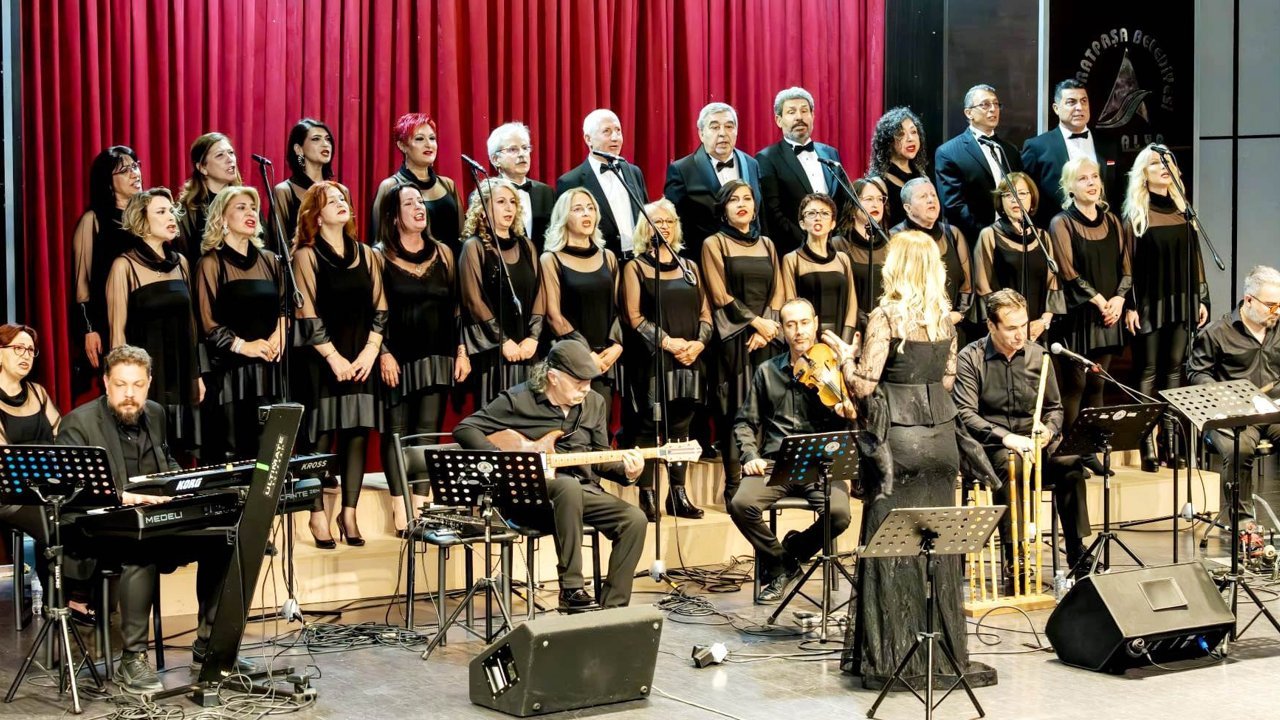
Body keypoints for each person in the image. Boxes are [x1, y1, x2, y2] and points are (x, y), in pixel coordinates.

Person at [826, 230, 998, 690]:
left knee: (889, 543)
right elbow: (946, 381)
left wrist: (846, 358)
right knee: (936, 546)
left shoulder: (886, 317)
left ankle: (890, 655)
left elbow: (864, 386)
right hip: (940, 440)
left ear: (895, 267)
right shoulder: (945, 320)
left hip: (899, 444)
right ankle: (938, 652)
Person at [57, 346, 240, 693]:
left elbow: (165, 464)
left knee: (224, 541)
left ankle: (209, 647)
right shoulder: (78, 423)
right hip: (97, 530)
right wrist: (124, 497)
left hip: (155, 522)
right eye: (121, 384)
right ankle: (132, 659)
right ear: (106, 383)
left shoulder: (155, 413)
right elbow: (72, 492)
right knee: (139, 550)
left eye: (138, 385)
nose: (130, 394)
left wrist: (185, 485)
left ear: (149, 383)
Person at [453, 340, 646, 611]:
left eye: (589, 381)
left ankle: (613, 610)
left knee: (634, 519)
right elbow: (465, 428)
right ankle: (571, 589)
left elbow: (600, 457)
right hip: (531, 497)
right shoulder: (518, 399)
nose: (586, 388)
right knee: (567, 487)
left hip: (582, 491)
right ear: (553, 377)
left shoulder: (595, 403)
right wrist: (506, 461)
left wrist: (628, 471)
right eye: (579, 382)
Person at [953, 289, 1093, 582]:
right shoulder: (970, 358)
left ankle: (1076, 549)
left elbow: (1054, 408)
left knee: (1070, 463)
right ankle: (1014, 555)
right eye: (1011, 328)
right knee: (1012, 464)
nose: (1021, 335)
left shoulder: (1039, 355)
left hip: (1035, 442)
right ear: (991, 325)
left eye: (1024, 325)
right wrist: (1006, 437)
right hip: (992, 446)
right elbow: (965, 414)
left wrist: (1049, 430)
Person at [731, 299, 851, 602]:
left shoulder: (836, 371)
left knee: (838, 515)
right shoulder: (767, 371)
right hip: (776, 463)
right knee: (741, 504)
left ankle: (792, 552)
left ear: (816, 323)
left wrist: (847, 410)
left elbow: (856, 422)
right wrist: (750, 456)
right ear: (783, 330)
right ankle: (784, 565)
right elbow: (745, 422)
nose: (799, 331)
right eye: (791, 324)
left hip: (822, 465)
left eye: (805, 323)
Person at [292, 181, 387, 548]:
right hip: (321, 359)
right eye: (331, 201)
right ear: (316, 215)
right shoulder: (307, 255)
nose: (340, 203)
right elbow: (307, 312)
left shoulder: (366, 253)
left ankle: (349, 513)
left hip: (361, 357)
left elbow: (381, 308)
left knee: (356, 433)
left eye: (342, 198)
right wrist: (333, 357)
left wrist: (370, 352)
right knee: (318, 437)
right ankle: (317, 513)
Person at [374, 182, 469, 534]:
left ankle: (421, 507)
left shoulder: (443, 253)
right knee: (397, 433)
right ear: (393, 216)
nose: (419, 208)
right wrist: (383, 352)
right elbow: (374, 312)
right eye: (409, 203)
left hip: (437, 355)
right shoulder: (378, 256)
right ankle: (401, 511)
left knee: (427, 434)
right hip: (396, 357)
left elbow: (457, 308)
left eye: (421, 202)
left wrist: (461, 351)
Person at [620, 199, 710, 521]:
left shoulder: (690, 267)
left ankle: (678, 494)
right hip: (655, 357)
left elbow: (705, 313)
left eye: (669, 221)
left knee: (682, 424)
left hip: (690, 356)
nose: (665, 227)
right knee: (649, 423)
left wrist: (699, 344)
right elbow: (633, 317)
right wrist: (669, 343)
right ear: (645, 229)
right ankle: (647, 494)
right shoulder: (635, 267)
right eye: (657, 222)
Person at [1122, 144, 1209, 471]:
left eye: (1167, 161)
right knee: (1147, 371)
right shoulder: (1137, 214)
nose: (1163, 166)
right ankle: (1146, 444)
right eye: (1156, 162)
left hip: (1181, 300)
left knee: (1174, 370)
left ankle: (1170, 445)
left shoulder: (1183, 209)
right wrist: (1130, 306)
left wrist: (1201, 298)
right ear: (1143, 173)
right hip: (1148, 302)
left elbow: (1195, 258)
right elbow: (1127, 265)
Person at [702, 179, 784, 505]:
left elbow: (778, 291)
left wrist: (767, 329)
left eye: (747, 198)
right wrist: (755, 323)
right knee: (735, 410)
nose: (741, 204)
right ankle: (734, 484)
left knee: (766, 408)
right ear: (724, 208)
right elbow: (719, 294)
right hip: (733, 337)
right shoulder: (714, 243)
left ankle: (763, 484)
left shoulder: (767, 244)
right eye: (734, 199)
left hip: (765, 339)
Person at [106, 187, 204, 460]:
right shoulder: (124, 266)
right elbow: (117, 335)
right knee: (150, 449)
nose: (171, 216)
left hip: (181, 373)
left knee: (180, 450)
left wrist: (196, 375)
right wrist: (121, 382)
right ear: (142, 221)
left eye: (171, 210)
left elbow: (192, 325)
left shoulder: (181, 263)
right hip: (147, 375)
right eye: (161, 212)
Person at [195, 186, 287, 463]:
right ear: (222, 218)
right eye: (241, 207)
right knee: (235, 455)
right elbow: (206, 323)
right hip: (230, 377)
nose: (251, 213)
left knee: (270, 456)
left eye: (253, 207)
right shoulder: (211, 263)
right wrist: (244, 346)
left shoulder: (271, 260)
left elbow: (287, 306)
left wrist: (281, 330)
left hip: (270, 372)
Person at [1046, 157, 1132, 435]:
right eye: (1082, 178)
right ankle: (1069, 451)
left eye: (1094, 176)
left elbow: (1126, 267)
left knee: (1097, 384)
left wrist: (1119, 300)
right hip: (1078, 315)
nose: (1091, 183)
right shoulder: (1061, 223)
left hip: (1108, 316)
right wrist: (1100, 301)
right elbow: (1067, 271)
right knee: (1076, 386)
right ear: (1069, 187)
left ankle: (1092, 448)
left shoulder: (1113, 221)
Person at [1188, 265, 1280, 517]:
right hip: (1234, 414)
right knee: (1239, 450)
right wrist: (1223, 394)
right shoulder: (1216, 333)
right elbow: (1196, 373)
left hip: (1273, 410)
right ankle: (1244, 524)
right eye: (1271, 305)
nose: (1277, 311)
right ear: (1249, 300)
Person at [459, 178, 545, 407]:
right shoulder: (474, 247)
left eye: (512, 202)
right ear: (483, 210)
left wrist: (533, 338)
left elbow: (540, 293)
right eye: (501, 202)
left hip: (527, 350)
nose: (509, 208)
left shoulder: (527, 246)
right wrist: (503, 341)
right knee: (498, 416)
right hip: (493, 352)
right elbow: (473, 300)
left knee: (529, 414)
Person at [540, 189, 622, 413]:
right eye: (578, 209)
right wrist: (586, 354)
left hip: (605, 359)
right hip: (570, 359)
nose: (587, 213)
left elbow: (618, 309)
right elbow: (554, 316)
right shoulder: (551, 259)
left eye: (590, 208)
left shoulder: (608, 257)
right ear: (564, 216)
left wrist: (617, 346)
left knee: (600, 422)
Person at [71, 146, 143, 396]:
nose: (135, 173)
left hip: (149, 317)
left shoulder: (149, 217)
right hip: (110, 322)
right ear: (108, 182)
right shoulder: (93, 220)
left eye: (135, 166)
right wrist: (88, 329)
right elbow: (81, 282)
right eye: (124, 170)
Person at [663, 102, 762, 261]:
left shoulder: (752, 164)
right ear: (701, 133)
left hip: (751, 257)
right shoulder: (682, 169)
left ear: (736, 131)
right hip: (702, 260)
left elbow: (759, 216)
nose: (723, 133)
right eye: (715, 127)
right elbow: (674, 224)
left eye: (729, 126)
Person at [972, 171, 1064, 341]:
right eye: (1008, 195)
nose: (1016, 199)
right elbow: (983, 287)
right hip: (1006, 330)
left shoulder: (1043, 237)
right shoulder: (989, 235)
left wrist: (1044, 321)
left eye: (1022, 193)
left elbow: (1053, 282)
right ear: (1000, 201)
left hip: (1038, 328)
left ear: (1032, 199)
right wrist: (1012, 326)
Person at [756, 87, 849, 255]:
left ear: (813, 116)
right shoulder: (767, 158)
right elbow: (773, 213)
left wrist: (833, 240)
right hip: (793, 251)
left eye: (804, 111)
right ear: (778, 120)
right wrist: (810, 243)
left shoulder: (830, 153)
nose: (799, 117)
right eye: (791, 112)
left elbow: (843, 201)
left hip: (834, 249)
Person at [1021, 79, 1116, 228]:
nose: (1079, 107)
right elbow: (1027, 197)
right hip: (1054, 230)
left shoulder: (1108, 145)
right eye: (1071, 102)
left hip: (1104, 228)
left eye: (1084, 101)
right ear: (1056, 108)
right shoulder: (1037, 147)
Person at [890, 178, 974, 344]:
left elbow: (967, 285)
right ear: (908, 208)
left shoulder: (953, 234)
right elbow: (893, 288)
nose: (931, 200)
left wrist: (959, 314)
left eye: (933, 195)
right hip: (913, 330)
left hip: (952, 326)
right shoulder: (895, 238)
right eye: (923, 196)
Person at [935, 84, 1023, 243]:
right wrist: (986, 234)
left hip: (1013, 236)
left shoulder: (1010, 150)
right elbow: (954, 206)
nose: (993, 109)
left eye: (996, 104)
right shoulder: (948, 152)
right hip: (973, 239)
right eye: (985, 105)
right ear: (969, 113)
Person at [555, 109, 646, 258]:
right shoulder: (570, 181)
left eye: (618, 131)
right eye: (607, 132)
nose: (615, 137)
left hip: (638, 260)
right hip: (598, 261)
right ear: (588, 139)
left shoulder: (634, 172)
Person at [371, 113, 463, 252]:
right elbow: (379, 240)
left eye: (432, 138)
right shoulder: (390, 186)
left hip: (452, 262)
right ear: (402, 146)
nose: (429, 144)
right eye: (419, 139)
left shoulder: (448, 184)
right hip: (407, 263)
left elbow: (463, 235)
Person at [781, 194, 858, 343]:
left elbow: (852, 304)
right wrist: (813, 345)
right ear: (802, 224)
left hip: (841, 339)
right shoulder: (792, 259)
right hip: (807, 340)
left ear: (833, 223)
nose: (818, 218)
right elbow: (792, 307)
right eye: (811, 213)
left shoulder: (842, 259)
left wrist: (844, 342)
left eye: (824, 213)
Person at [487, 121, 556, 250]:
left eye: (525, 148)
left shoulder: (546, 192)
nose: (522, 154)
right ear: (495, 159)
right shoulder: (487, 194)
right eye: (513, 149)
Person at [176, 132, 242, 265]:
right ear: (202, 168)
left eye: (231, 152)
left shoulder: (246, 200)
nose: (230, 159)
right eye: (220, 155)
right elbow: (183, 256)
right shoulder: (187, 209)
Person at [272, 118, 335, 247]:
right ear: (298, 149)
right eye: (316, 139)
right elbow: (278, 243)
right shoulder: (284, 191)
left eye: (328, 139)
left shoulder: (339, 191)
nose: (325, 144)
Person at [842, 177, 892, 331]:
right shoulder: (839, 245)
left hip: (891, 326)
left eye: (880, 199)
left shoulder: (893, 243)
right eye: (869, 199)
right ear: (852, 206)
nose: (876, 204)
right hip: (854, 326)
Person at [867, 106, 928, 224]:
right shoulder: (878, 183)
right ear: (888, 141)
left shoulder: (923, 177)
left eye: (914, 132)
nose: (910, 139)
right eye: (901, 134)